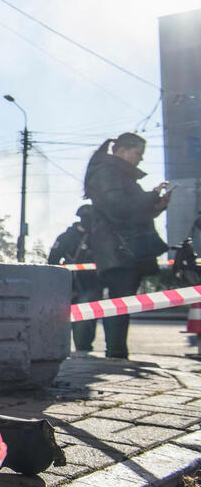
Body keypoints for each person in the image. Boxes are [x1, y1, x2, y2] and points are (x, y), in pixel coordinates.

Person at [84, 132, 171, 359]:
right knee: (120, 301)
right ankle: (116, 353)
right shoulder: (107, 172)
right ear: (121, 151)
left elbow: (129, 211)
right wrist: (151, 196)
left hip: (122, 248)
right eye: (137, 153)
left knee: (123, 302)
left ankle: (117, 352)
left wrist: (157, 207)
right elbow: (118, 207)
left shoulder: (118, 175)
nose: (140, 159)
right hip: (118, 249)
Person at [48, 205, 102, 355]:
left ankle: (83, 349)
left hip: (93, 284)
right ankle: (78, 350)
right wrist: (62, 284)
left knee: (89, 320)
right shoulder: (67, 237)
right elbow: (52, 260)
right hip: (71, 283)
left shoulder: (98, 237)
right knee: (71, 320)